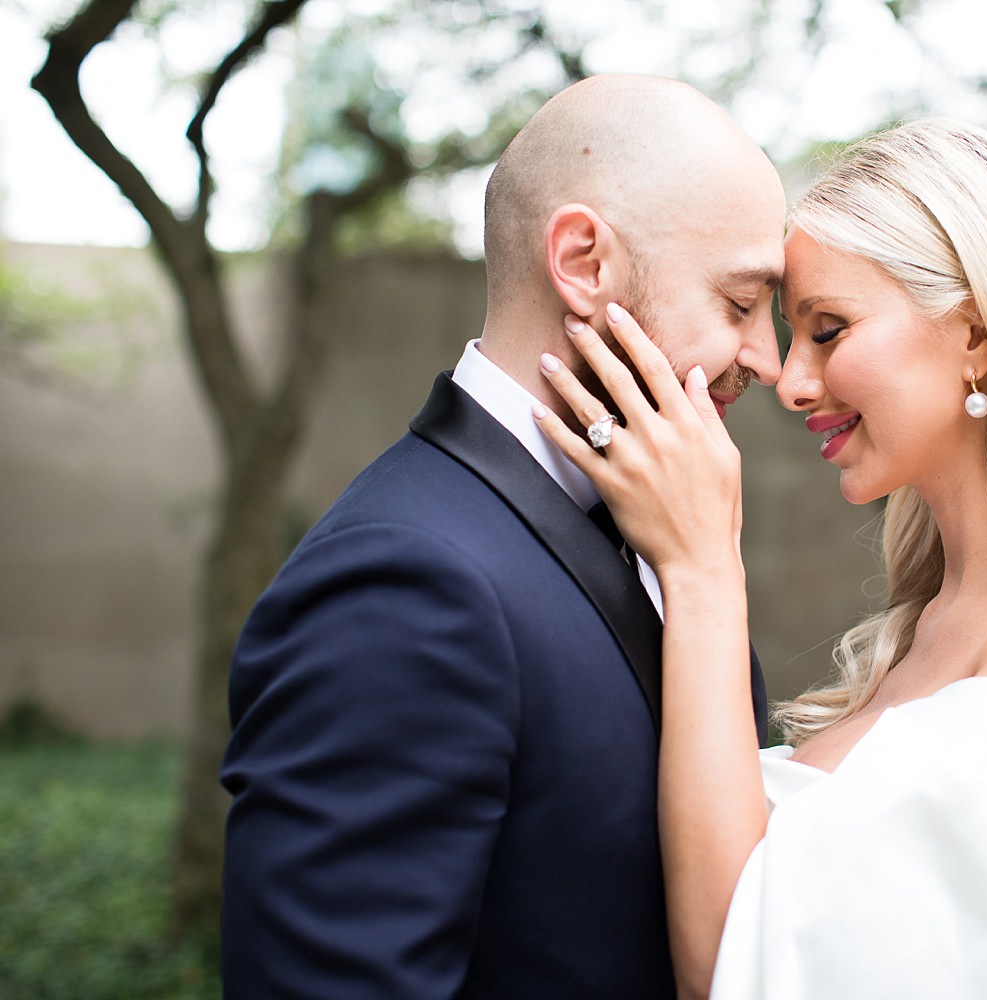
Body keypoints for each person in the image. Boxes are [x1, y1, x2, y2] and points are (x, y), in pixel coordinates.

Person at [535, 118, 987, 1000]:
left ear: (975, 333)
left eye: (829, 329)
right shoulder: (920, 630)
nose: (793, 379)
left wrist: (703, 570)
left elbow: (745, 969)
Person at [219, 74, 786, 998]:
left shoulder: (662, 522)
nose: (768, 358)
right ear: (583, 263)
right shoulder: (403, 581)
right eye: (739, 303)